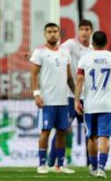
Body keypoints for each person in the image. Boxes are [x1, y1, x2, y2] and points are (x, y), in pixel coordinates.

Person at [75, 31, 111, 178]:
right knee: (104, 137)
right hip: (107, 104)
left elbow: (79, 80)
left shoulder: (85, 59)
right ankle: (102, 168)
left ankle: (93, 167)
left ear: (92, 43)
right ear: (106, 42)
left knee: (92, 137)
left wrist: (77, 100)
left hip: (90, 104)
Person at [30, 22, 75, 174]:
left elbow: (69, 78)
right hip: (47, 101)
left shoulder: (65, 53)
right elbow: (34, 75)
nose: (52, 34)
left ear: (59, 33)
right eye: (49, 31)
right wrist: (36, 94)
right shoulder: (39, 52)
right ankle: (42, 164)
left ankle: (60, 165)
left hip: (63, 100)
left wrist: (76, 96)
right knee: (45, 131)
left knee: (62, 132)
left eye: (55, 31)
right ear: (45, 34)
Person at [48, 19, 93, 167]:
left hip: (88, 96)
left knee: (91, 131)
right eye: (82, 29)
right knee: (62, 129)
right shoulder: (71, 44)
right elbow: (54, 50)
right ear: (78, 31)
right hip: (69, 95)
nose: (84, 32)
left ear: (91, 31)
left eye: (87, 29)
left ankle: (92, 164)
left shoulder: (93, 50)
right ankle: (50, 163)